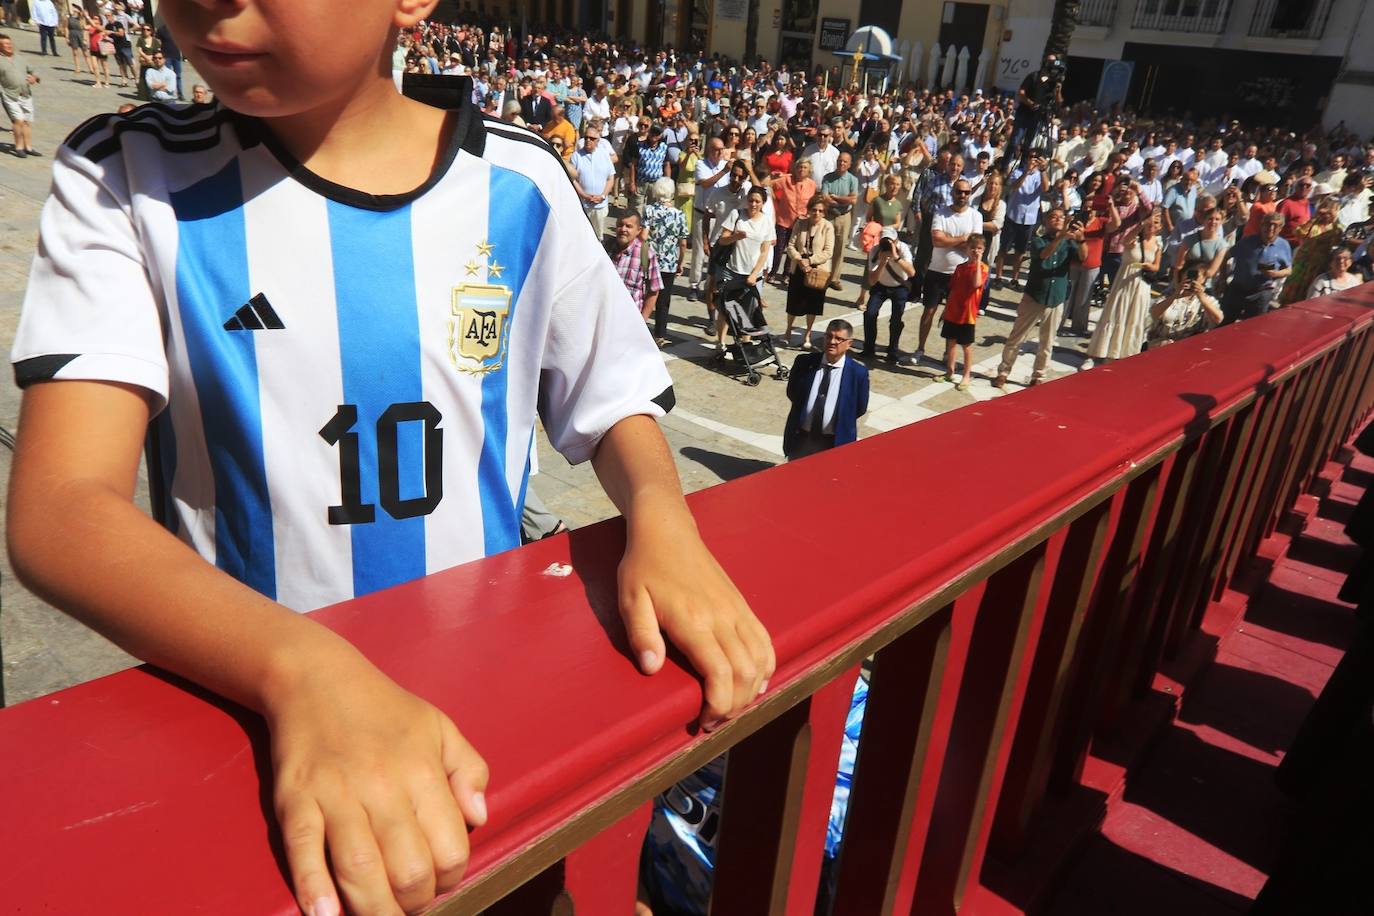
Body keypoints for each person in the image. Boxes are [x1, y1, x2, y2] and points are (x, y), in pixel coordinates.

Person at [7, 6, 774, 916]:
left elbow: (612, 398)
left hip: (489, 734)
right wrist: (303, 670)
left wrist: (661, 516)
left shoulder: (519, 180)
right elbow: (61, 508)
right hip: (260, 730)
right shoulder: (123, 175)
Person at [993, 207, 1085, 388]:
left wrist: (1082, 240)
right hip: (1035, 296)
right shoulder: (1038, 241)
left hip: (1056, 298)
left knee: (1047, 341)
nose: (1058, 220)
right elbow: (1044, 255)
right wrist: (1060, 237)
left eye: (1061, 217)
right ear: (1045, 221)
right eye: (1053, 217)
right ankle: (1004, 371)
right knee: (1017, 337)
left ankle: (1038, 376)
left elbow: (1083, 258)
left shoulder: (1070, 243)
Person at [911, 177, 983, 364]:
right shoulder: (941, 213)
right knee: (929, 311)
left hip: (961, 273)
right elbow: (937, 240)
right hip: (937, 270)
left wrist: (950, 239)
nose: (962, 195)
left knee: (953, 315)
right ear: (952, 192)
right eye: (959, 191)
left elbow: (974, 245)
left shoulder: (976, 216)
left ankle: (947, 354)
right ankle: (920, 348)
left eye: (966, 192)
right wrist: (963, 239)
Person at [782, 319, 869, 461]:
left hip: (835, 442)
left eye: (839, 339)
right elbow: (793, 393)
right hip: (802, 438)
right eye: (829, 336)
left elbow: (860, 408)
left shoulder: (858, 373)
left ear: (849, 344)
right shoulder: (804, 363)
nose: (832, 342)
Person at [1084, 210, 1161, 367]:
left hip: (1141, 285)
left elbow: (1157, 266)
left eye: (1156, 223)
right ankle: (1094, 354)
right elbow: (1125, 241)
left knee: (1133, 318)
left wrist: (1149, 266)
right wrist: (1142, 224)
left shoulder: (1158, 243)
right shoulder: (1134, 238)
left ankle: (1119, 354)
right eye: (1151, 222)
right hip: (1124, 281)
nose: (1152, 225)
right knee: (1115, 314)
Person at [711, 186, 775, 349]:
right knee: (726, 308)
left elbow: (764, 251)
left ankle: (746, 345)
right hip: (732, 269)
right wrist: (735, 237)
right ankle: (721, 342)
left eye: (757, 201)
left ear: (763, 203)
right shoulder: (737, 215)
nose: (753, 204)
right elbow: (722, 240)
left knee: (750, 310)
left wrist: (754, 274)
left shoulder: (767, 221)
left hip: (753, 273)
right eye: (751, 200)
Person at [1220, 211, 1293, 323]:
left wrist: (1276, 274)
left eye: (1276, 225)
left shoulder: (1283, 245)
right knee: (1224, 322)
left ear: (1281, 228)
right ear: (1262, 225)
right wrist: (1222, 278)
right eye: (1268, 224)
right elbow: (1226, 256)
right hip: (1238, 288)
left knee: (1253, 326)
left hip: (1261, 291)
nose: (1271, 228)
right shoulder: (1247, 242)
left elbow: (1288, 270)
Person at [857, 226, 916, 363]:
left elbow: (912, 272)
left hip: (899, 287)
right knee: (870, 313)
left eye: (890, 242)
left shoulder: (904, 249)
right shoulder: (876, 251)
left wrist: (896, 258)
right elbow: (871, 281)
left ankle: (893, 351)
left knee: (896, 319)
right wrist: (882, 262)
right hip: (880, 286)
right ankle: (869, 348)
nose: (888, 245)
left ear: (896, 241)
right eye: (885, 242)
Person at [782, 195, 834, 349]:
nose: (816, 213)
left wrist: (810, 261)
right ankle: (788, 331)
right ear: (809, 210)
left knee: (813, 304)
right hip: (798, 267)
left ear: (824, 213)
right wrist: (799, 260)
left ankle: (808, 334)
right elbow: (791, 245)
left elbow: (828, 251)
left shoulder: (828, 227)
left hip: (817, 269)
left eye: (820, 211)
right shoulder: (801, 223)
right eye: (814, 210)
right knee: (793, 302)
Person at [643, 177, 689, 346]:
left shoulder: (649, 210)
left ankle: (640, 325)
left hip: (650, 260)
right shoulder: (679, 214)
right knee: (664, 300)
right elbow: (683, 243)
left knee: (647, 294)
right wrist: (680, 262)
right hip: (669, 262)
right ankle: (660, 334)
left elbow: (643, 235)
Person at [940, 236, 988, 390]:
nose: (975, 251)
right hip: (953, 309)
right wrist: (945, 309)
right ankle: (949, 371)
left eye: (979, 248)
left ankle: (967, 375)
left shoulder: (983, 269)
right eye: (972, 247)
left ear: (983, 250)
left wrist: (978, 262)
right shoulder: (960, 267)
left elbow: (976, 283)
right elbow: (952, 289)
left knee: (966, 346)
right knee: (951, 342)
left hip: (967, 313)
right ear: (967, 249)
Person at [1280, 197, 1343, 306]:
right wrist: (1315, 218)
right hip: (1304, 261)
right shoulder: (1314, 224)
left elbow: (1336, 244)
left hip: (1319, 265)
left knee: (1309, 291)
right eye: (1327, 209)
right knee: (1293, 289)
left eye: (1332, 210)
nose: (1328, 213)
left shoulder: (1336, 229)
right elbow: (1299, 233)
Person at [761, 157, 814, 284]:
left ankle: (787, 274)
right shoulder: (786, 180)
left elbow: (812, 203)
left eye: (805, 167)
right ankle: (773, 272)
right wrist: (775, 200)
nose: (802, 170)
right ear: (795, 169)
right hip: (783, 220)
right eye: (800, 167)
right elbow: (768, 184)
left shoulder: (812, 184)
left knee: (793, 251)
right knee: (779, 250)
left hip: (800, 222)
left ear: (809, 170)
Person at [608, 211, 664, 327]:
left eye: (628, 226)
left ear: (638, 230)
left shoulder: (646, 254)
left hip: (630, 321)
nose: (623, 229)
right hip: (605, 316)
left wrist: (642, 321)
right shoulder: (605, 248)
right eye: (620, 225)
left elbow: (654, 290)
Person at [1147, 273, 1223, 347]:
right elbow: (1154, 314)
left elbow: (1218, 320)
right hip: (1163, 343)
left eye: (1197, 276)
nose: (1193, 280)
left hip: (1192, 346)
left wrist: (1201, 297)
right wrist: (1175, 295)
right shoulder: (1169, 295)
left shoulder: (1207, 299)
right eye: (1188, 276)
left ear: (1204, 279)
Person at [819, 151, 859, 290]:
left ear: (849, 164)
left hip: (844, 216)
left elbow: (853, 200)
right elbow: (825, 198)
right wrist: (842, 199)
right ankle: (823, 274)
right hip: (829, 215)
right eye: (840, 161)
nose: (842, 163)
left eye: (845, 162)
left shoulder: (853, 180)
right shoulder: (828, 178)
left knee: (840, 248)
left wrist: (835, 198)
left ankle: (834, 278)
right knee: (825, 246)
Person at [571, 124, 615, 239]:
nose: (588, 140)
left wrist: (603, 195)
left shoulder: (604, 154)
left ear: (598, 141)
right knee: (582, 235)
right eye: (586, 137)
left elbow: (610, 178)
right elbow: (573, 180)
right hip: (583, 204)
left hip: (600, 205)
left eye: (592, 138)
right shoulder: (576, 156)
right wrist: (584, 195)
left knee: (598, 236)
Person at [0, 32, 39, 158]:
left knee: (27, 121)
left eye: (9, 43)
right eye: (5, 44)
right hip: (9, 95)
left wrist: (35, 78)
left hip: (26, 94)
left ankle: (28, 147)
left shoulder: (20, 58)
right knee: (18, 120)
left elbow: (33, 71)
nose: (9, 45)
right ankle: (18, 147)